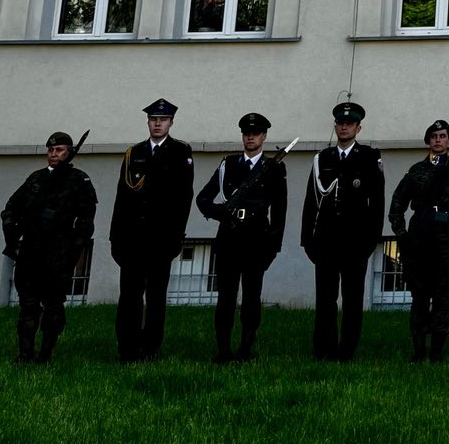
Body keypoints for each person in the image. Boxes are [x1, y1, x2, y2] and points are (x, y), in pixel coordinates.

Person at [196, 113, 287, 363]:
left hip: (256, 241)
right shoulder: (228, 165)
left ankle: (246, 348)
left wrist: (273, 247)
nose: (250, 137)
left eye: (255, 133)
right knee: (225, 297)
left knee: (251, 297)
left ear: (264, 137)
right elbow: (203, 197)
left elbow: (280, 211)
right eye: (247, 133)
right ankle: (223, 349)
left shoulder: (273, 168)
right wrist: (220, 213)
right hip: (229, 238)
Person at [109, 98, 195, 364]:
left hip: (161, 238)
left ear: (171, 122)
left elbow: (183, 198)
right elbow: (122, 198)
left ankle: (150, 347)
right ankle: (128, 348)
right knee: (129, 296)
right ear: (148, 122)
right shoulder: (133, 153)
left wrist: (176, 236)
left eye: (163, 120)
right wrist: (115, 237)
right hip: (132, 238)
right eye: (153, 120)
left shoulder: (180, 152)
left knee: (156, 297)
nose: (158, 124)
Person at [300, 99, 385, 362]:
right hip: (326, 240)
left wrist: (371, 240)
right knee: (325, 298)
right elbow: (311, 201)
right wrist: (307, 240)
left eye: (349, 123)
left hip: (355, 241)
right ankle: (323, 349)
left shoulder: (369, 157)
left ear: (358, 128)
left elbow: (377, 202)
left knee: (352, 299)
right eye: (340, 123)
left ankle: (346, 350)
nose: (344, 127)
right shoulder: (323, 159)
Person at [1, 131, 97, 365]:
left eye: (59, 150)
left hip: (58, 254)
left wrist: (72, 253)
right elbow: (11, 207)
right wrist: (12, 236)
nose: (53, 154)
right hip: (30, 251)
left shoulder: (79, 180)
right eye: (50, 150)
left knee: (53, 305)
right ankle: (25, 354)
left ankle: (45, 355)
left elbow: (85, 222)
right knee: (28, 305)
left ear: (69, 152)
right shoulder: (36, 178)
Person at [389, 120, 449, 362]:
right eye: (434, 136)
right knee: (419, 298)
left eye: (443, 136)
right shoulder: (417, 170)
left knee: (441, 298)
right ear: (428, 141)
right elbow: (397, 205)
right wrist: (402, 236)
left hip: (446, 240)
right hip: (419, 240)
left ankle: (436, 353)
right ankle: (418, 352)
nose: (438, 140)